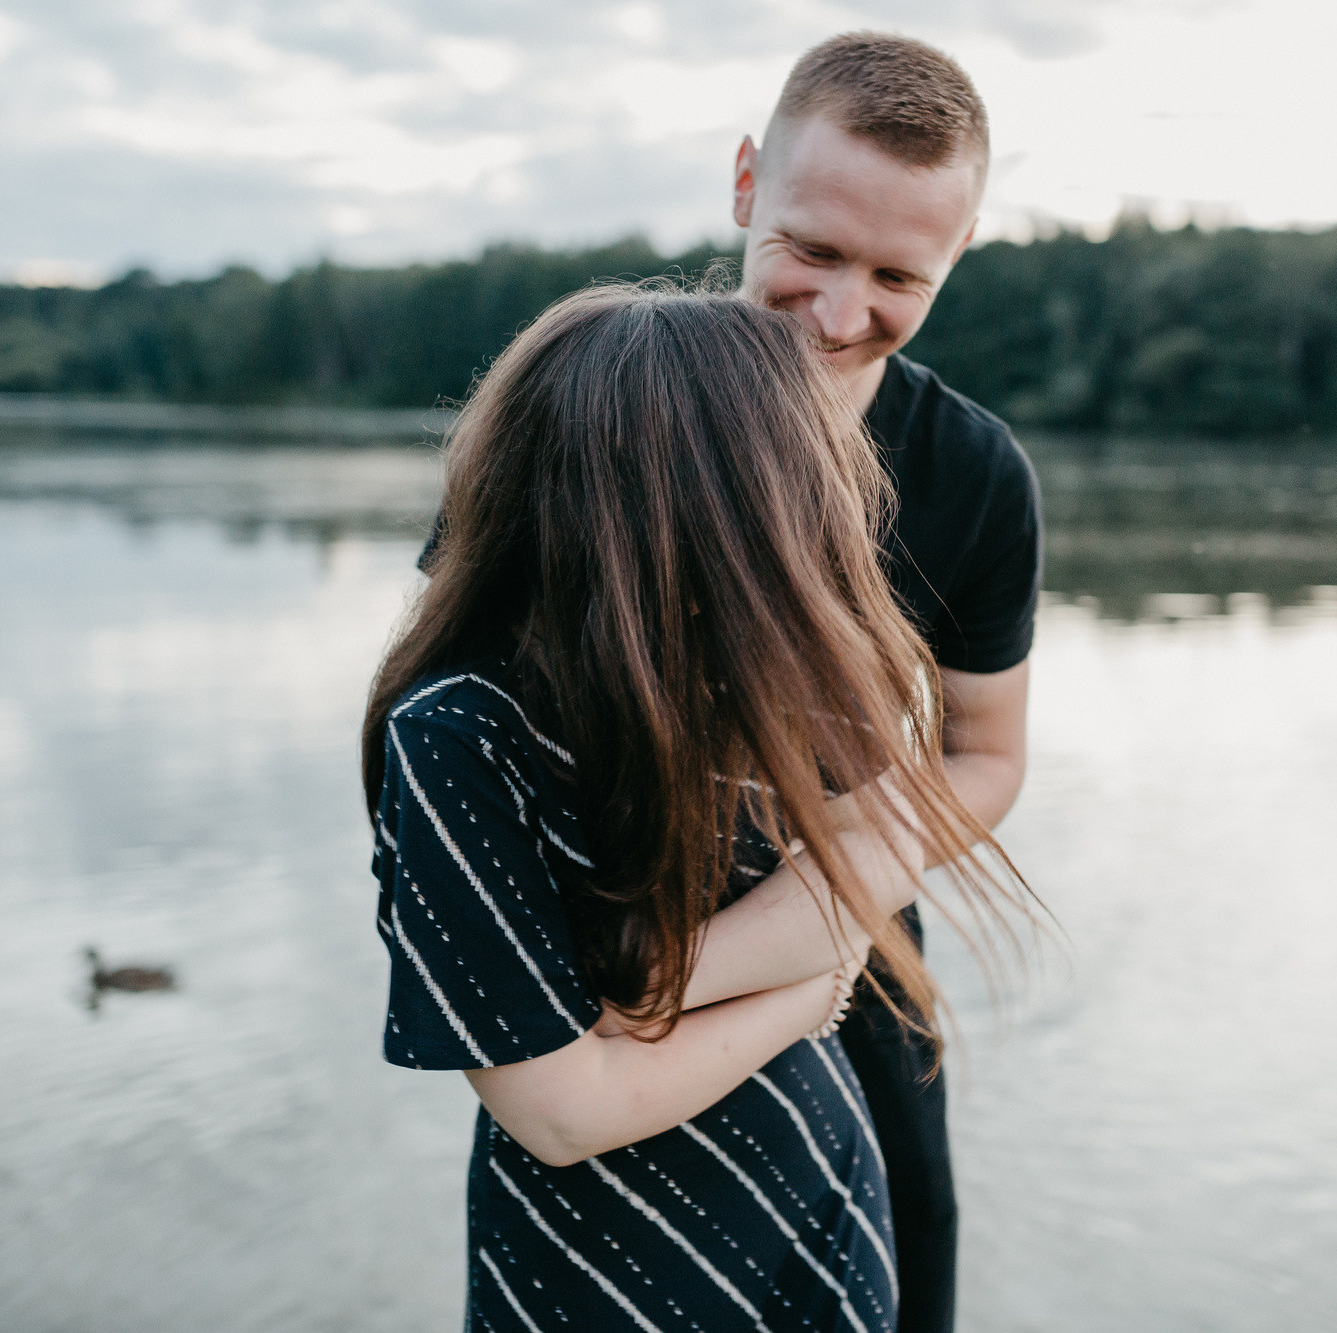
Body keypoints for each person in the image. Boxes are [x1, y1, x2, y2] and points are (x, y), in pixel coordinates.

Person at [365, 283, 1030, 1329]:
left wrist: (649, 984)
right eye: (798, 496)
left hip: (815, 1216)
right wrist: (799, 996)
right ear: (707, 510)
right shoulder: (461, 737)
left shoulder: (772, 671)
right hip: (601, 1272)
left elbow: (882, 845)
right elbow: (559, 1111)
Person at [733, 33, 1041, 1333]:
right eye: (810, 249)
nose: (845, 313)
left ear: (955, 260)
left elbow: (988, 748)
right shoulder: (590, 404)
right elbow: (438, 696)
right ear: (747, 182)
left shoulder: (975, 474)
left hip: (860, 947)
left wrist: (831, 894)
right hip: (604, 951)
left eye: (899, 275)